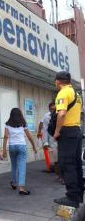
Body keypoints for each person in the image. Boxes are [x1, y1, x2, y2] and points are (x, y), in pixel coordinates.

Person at [53, 71, 83, 208]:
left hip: (68, 132)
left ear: (58, 81)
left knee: (67, 164)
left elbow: (62, 113)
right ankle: (77, 195)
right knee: (76, 164)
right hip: (76, 131)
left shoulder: (63, 93)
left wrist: (57, 131)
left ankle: (71, 197)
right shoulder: (76, 94)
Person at [3, 108, 37, 195]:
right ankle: (21, 188)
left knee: (14, 166)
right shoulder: (23, 123)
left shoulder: (7, 124)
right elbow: (29, 136)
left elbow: (6, 137)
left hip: (12, 147)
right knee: (22, 167)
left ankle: (14, 183)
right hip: (22, 146)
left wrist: (4, 150)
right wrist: (34, 146)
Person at [37, 102, 59, 173]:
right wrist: (45, 142)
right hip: (52, 139)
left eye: (54, 109)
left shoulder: (60, 114)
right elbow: (45, 129)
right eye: (51, 109)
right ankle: (58, 174)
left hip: (62, 139)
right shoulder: (46, 116)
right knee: (55, 158)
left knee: (62, 157)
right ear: (49, 109)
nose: (52, 110)